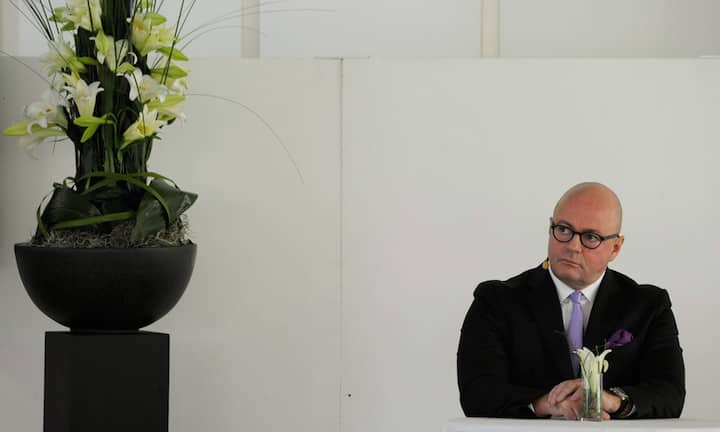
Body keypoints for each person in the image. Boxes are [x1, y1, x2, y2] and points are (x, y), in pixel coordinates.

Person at [457, 182, 685, 419]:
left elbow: (670, 393)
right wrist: (548, 403)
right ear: (550, 228)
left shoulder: (648, 306)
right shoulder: (495, 301)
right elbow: (477, 393)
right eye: (564, 230)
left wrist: (612, 400)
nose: (573, 246)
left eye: (591, 237)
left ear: (615, 248)